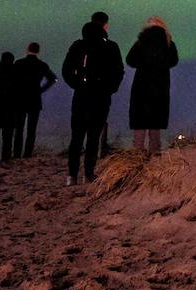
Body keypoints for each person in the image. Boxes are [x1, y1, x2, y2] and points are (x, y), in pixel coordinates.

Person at [61, 16, 125, 185]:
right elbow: (119, 71)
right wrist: (110, 88)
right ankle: (88, 173)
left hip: (81, 96)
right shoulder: (111, 46)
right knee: (93, 137)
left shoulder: (78, 45)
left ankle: (72, 175)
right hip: (101, 97)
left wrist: (76, 84)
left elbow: (66, 70)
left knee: (77, 136)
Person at [127, 17, 179, 154]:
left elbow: (130, 60)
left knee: (140, 121)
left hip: (141, 85)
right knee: (156, 120)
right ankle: (155, 152)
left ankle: (137, 153)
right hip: (160, 86)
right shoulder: (168, 43)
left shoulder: (140, 43)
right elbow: (174, 61)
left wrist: (143, 63)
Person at [11, 42, 57, 158]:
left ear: (27, 50)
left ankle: (16, 154)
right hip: (34, 99)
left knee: (19, 129)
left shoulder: (19, 63)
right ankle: (27, 154)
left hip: (20, 99)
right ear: (38, 51)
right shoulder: (42, 65)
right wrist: (41, 89)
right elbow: (52, 79)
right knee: (31, 130)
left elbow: (12, 80)